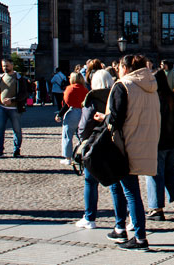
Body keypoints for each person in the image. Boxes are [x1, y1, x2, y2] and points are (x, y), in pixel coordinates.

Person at [102, 54, 160, 250]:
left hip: (125, 146)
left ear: (125, 68)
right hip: (145, 143)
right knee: (117, 186)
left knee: (131, 192)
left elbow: (115, 120)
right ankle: (120, 228)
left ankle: (140, 237)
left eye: (119, 67)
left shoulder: (123, 85)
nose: (118, 70)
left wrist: (104, 117)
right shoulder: (151, 86)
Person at [73, 66, 117, 229]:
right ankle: (122, 219)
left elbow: (83, 127)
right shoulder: (116, 95)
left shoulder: (92, 98)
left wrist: (82, 137)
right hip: (113, 143)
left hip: (95, 144)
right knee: (115, 183)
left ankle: (90, 218)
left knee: (90, 181)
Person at [146, 68, 174, 221]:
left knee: (154, 174)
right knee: (170, 171)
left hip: (159, 142)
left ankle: (156, 209)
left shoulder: (154, 99)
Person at [0, 58, 29, 158]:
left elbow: (24, 93)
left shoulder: (19, 78)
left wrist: (12, 100)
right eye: (3, 66)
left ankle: (16, 150)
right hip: (2, 108)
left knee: (16, 130)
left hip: (14, 109)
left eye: (7, 65)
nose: (5, 68)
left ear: (12, 65)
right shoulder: (1, 77)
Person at [61, 72, 89, 164]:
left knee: (67, 135)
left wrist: (60, 114)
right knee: (81, 136)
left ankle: (67, 158)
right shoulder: (85, 90)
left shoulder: (69, 89)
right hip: (83, 112)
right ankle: (83, 155)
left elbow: (66, 103)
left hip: (72, 112)